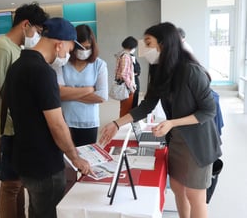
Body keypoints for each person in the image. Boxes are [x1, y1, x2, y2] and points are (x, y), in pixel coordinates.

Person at [100, 22, 222, 218]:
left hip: (198, 143)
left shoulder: (191, 71)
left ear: (164, 44)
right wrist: (116, 124)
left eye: (148, 43)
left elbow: (209, 110)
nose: (144, 49)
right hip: (177, 142)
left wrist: (172, 123)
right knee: (177, 189)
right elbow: (147, 105)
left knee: (194, 195)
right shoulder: (159, 71)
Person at [5, 17, 92, 218]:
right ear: (59, 44)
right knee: (47, 212)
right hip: (44, 163)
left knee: (36, 209)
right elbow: (56, 125)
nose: (67, 55)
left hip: (24, 157)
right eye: (69, 50)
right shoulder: (43, 72)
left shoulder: (17, 65)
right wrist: (75, 158)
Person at [0, 2, 49, 218]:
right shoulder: (0, 47)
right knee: (11, 184)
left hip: (15, 127)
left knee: (19, 182)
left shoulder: (18, 49)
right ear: (26, 24)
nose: (38, 36)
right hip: (3, 128)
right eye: (38, 31)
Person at [52, 24, 108, 147]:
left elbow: (102, 96)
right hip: (65, 121)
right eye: (80, 47)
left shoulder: (99, 65)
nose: (83, 51)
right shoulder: (62, 63)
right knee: (66, 160)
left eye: (87, 47)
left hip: (89, 122)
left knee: (87, 159)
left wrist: (69, 94)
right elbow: (58, 93)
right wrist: (89, 89)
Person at [114, 36, 137, 117]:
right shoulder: (126, 56)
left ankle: (122, 126)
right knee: (126, 109)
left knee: (124, 107)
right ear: (132, 46)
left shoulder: (120, 54)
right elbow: (124, 74)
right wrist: (131, 87)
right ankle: (123, 127)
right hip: (126, 87)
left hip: (123, 85)